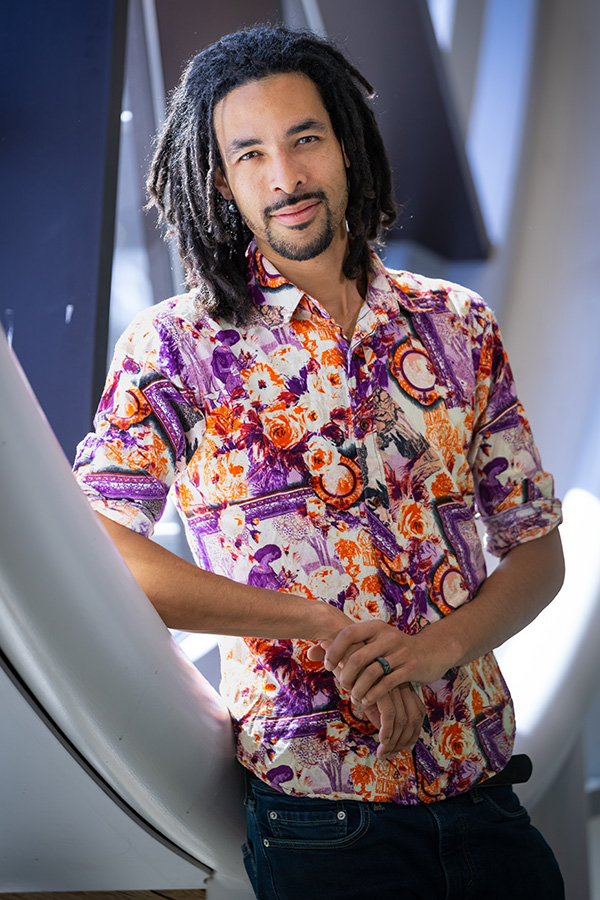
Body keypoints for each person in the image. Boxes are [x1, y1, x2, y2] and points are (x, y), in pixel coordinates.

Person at [73, 24, 565, 900]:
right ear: (221, 183)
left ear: (346, 144)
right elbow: (100, 544)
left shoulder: (458, 324)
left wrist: (432, 652)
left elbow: (537, 549)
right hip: (320, 822)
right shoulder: (176, 349)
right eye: (250, 153)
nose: (286, 177)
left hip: (486, 795)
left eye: (304, 139)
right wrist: (314, 621)